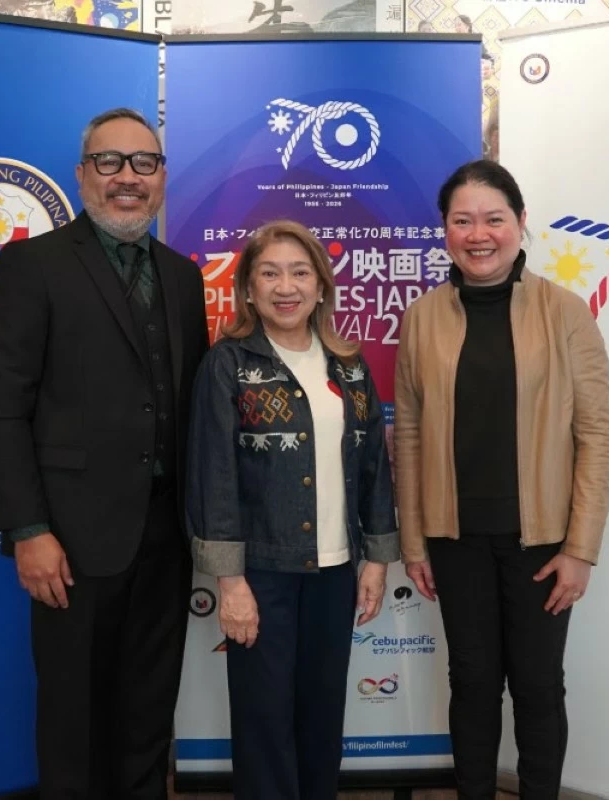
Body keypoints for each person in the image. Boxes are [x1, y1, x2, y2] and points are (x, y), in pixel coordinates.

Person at [0, 107, 209, 798]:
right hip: (70, 541)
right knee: (73, 718)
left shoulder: (182, 275)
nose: (127, 178)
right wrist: (28, 530)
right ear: (82, 175)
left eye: (144, 163)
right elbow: (0, 409)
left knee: (145, 712)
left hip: (167, 535)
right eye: (110, 162)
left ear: (162, 177)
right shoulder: (31, 265)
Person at [394, 160, 609, 799]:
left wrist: (581, 548)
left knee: (539, 685)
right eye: (462, 220)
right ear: (445, 231)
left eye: (493, 218)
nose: (478, 233)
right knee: (471, 682)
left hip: (543, 542)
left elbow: (596, 436)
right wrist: (414, 543)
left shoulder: (565, 312)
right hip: (454, 536)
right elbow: (406, 435)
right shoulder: (423, 316)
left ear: (521, 224)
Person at [186, 220, 399, 799]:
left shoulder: (349, 365)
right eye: (270, 273)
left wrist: (377, 559)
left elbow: (374, 468)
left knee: (322, 712)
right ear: (249, 290)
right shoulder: (229, 364)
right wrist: (230, 584)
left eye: (301, 272)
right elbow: (213, 477)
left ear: (322, 286)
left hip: (335, 572)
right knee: (263, 719)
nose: (287, 286)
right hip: (261, 575)